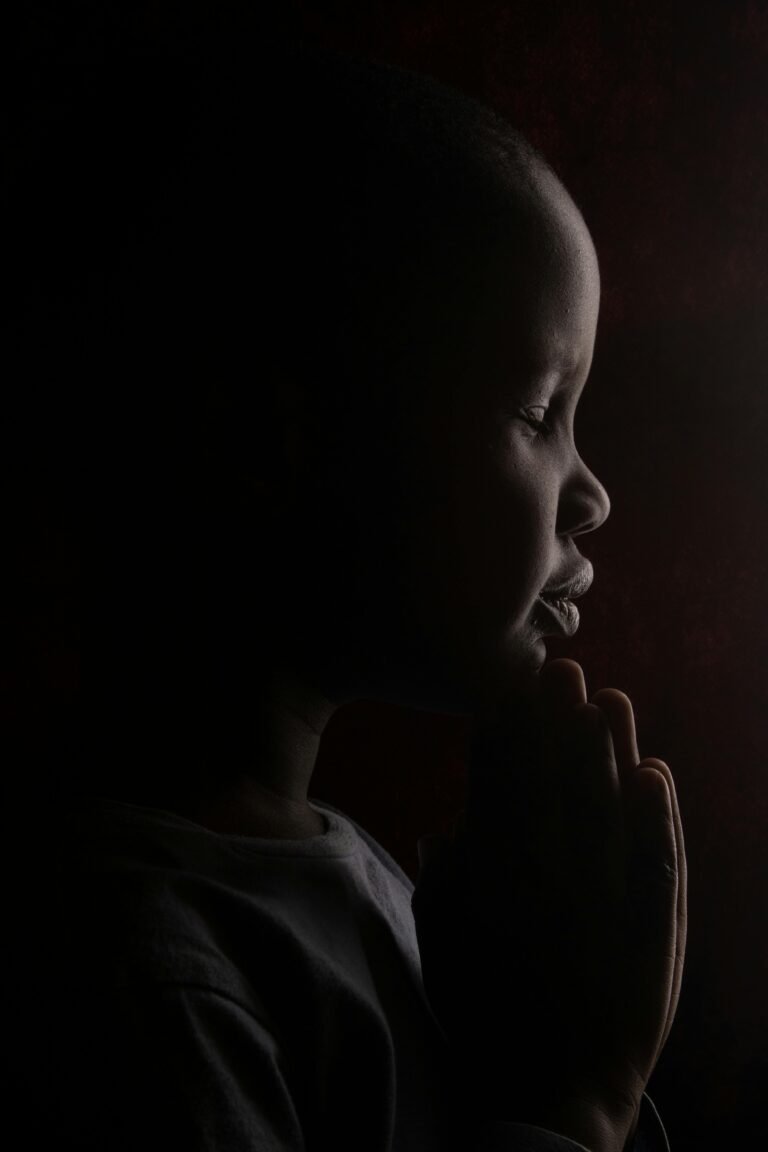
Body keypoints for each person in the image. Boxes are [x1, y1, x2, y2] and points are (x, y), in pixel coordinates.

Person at [10, 8, 686, 1151]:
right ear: (293, 436)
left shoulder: (354, 869)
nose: (593, 493)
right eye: (538, 411)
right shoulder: (145, 985)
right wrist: (582, 1103)